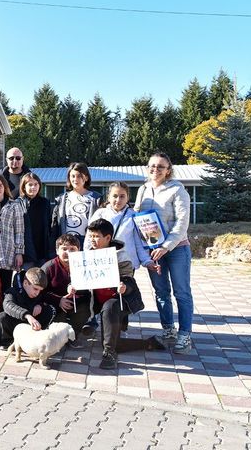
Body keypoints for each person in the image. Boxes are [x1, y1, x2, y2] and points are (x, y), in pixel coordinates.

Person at [135, 151, 194, 354]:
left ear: (168, 170)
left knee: (181, 292)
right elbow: (137, 216)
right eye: (152, 165)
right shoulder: (143, 189)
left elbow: (182, 222)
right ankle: (168, 330)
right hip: (153, 251)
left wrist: (166, 246)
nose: (156, 169)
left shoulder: (178, 190)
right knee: (161, 293)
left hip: (176, 249)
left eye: (161, 166)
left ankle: (185, 335)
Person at [71, 219, 148, 369]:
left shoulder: (121, 255)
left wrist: (124, 286)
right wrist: (71, 287)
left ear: (108, 238)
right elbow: (79, 280)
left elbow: (130, 281)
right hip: (96, 300)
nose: (92, 240)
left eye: (96, 236)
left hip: (117, 301)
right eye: (91, 236)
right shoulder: (86, 256)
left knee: (109, 315)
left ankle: (109, 353)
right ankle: (71, 335)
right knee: (77, 304)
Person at [84, 182, 159, 274]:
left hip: (126, 263)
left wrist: (147, 261)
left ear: (127, 197)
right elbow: (89, 237)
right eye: (115, 196)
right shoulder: (100, 213)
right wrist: (87, 257)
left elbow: (138, 242)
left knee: (125, 288)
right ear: (108, 197)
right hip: (102, 261)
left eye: (122, 196)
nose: (118, 199)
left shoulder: (133, 216)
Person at [41, 234, 89, 344]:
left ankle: (74, 335)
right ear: (57, 250)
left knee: (84, 308)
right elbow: (40, 292)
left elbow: (89, 290)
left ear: (79, 250)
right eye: (64, 249)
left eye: (72, 249)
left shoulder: (85, 266)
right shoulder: (48, 268)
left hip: (76, 303)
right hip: (54, 304)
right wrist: (59, 300)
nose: (68, 252)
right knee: (59, 320)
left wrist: (78, 291)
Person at [0, 267, 56, 348]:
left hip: (31, 326)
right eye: (35, 289)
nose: (37, 293)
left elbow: (46, 300)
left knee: (50, 310)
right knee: (2, 317)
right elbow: (8, 305)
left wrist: (40, 305)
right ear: (25, 283)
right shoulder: (13, 292)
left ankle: (38, 339)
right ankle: (8, 342)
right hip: (16, 323)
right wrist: (27, 315)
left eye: (40, 290)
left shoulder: (39, 293)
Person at [50, 162, 101, 248]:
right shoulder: (62, 198)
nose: (75, 179)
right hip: (67, 242)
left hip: (87, 243)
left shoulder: (96, 198)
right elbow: (55, 225)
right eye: (72, 176)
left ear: (86, 177)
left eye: (79, 176)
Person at [17, 172, 50, 267]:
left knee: (42, 279)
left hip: (42, 249)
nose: (33, 187)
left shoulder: (45, 202)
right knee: (27, 279)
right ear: (24, 187)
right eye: (30, 184)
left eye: (36, 184)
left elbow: (49, 225)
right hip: (26, 251)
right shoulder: (17, 203)